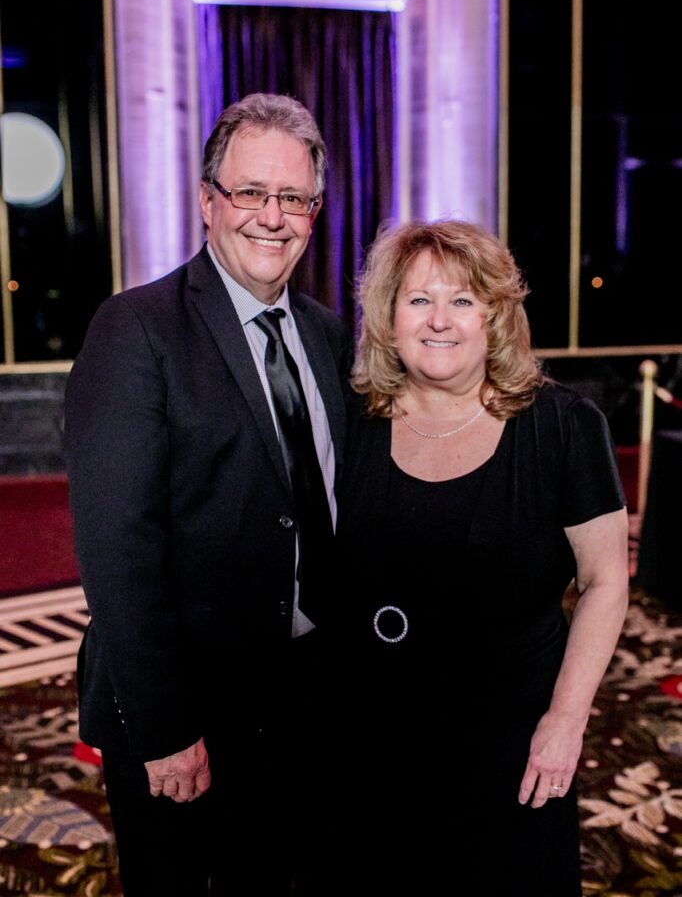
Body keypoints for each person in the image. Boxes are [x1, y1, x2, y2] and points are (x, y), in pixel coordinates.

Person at [64, 93, 350, 896]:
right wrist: (165, 729)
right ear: (207, 202)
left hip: (302, 696)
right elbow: (118, 552)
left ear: (315, 211)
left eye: (293, 197)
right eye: (250, 192)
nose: (272, 216)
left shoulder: (328, 334)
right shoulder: (136, 330)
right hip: (188, 709)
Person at [327, 219, 629, 897]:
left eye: (462, 300)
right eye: (418, 300)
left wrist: (566, 719)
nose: (440, 321)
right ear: (388, 317)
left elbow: (607, 581)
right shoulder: (352, 420)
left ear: (494, 315)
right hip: (372, 738)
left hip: (512, 741)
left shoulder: (564, 427)